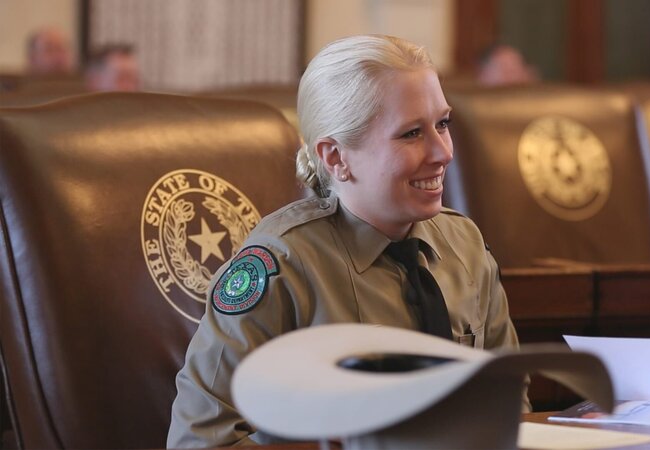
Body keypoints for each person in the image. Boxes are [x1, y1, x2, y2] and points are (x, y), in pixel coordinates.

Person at [167, 34, 526, 447]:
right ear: (336, 157)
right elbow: (199, 439)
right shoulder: (281, 265)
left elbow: (511, 405)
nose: (442, 151)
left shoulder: (464, 245)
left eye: (442, 124)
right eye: (411, 133)